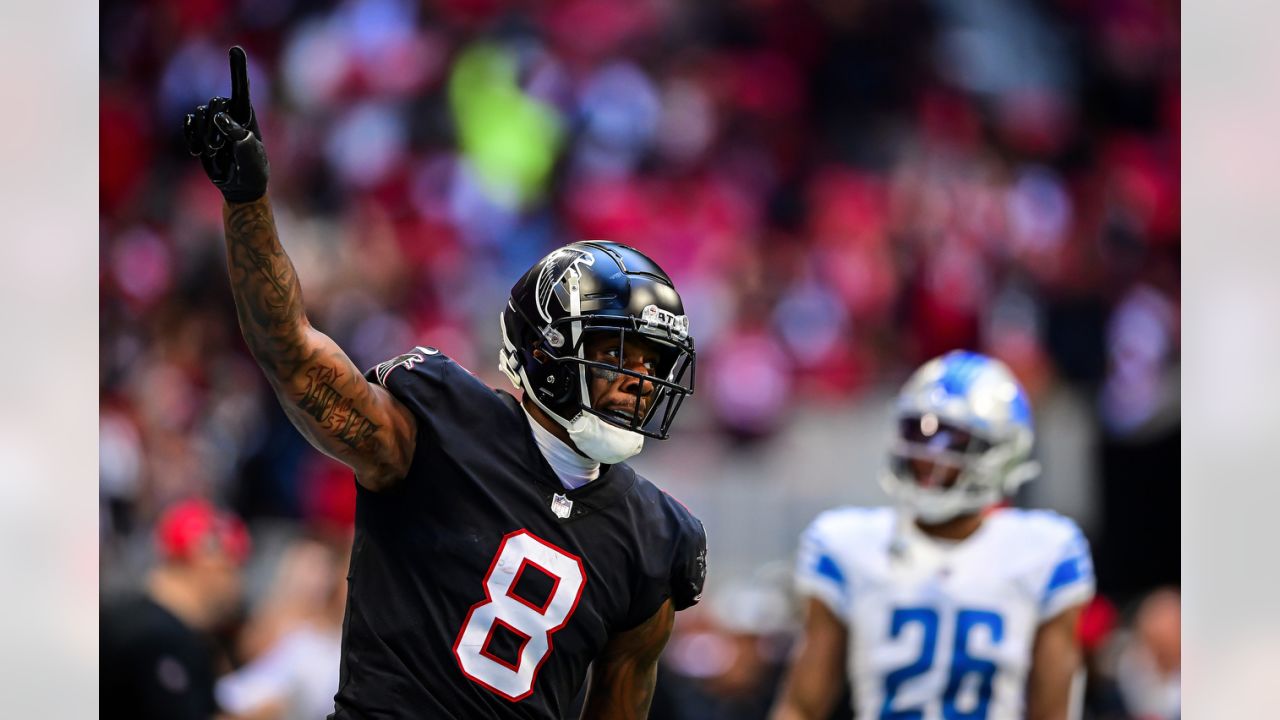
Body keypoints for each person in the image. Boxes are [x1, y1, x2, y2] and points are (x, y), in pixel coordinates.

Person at [182, 47, 707, 719]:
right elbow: (292, 356)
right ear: (545, 348)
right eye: (618, 354)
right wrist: (248, 203)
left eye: (654, 364)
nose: (639, 381)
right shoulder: (441, 423)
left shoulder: (657, 540)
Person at [770, 351, 1095, 720]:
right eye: (917, 432)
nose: (926, 455)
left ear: (1001, 451)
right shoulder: (848, 544)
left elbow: (1052, 713)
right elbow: (802, 707)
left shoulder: (1045, 551)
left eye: (950, 441)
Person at [101, 498, 250, 719]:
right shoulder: (160, 637)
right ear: (209, 566)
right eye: (232, 568)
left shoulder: (137, 619)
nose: (237, 583)